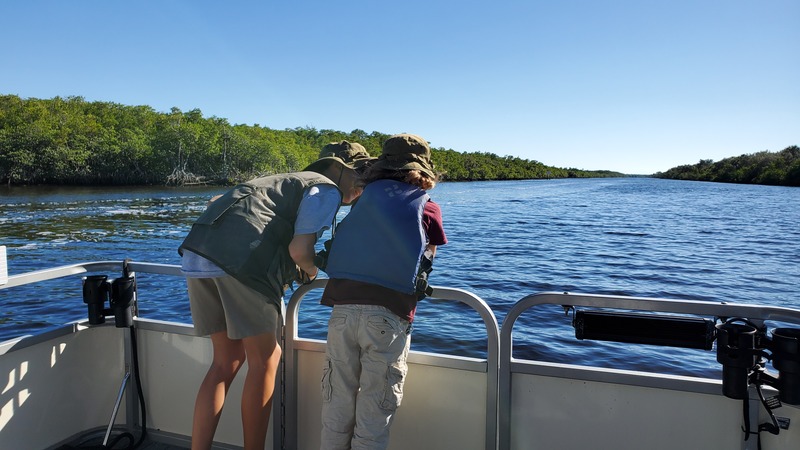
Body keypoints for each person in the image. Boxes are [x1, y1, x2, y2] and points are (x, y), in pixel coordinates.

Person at [178, 149, 370, 450]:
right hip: (240, 263)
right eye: (360, 174)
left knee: (224, 361)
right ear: (339, 169)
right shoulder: (326, 190)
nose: (362, 184)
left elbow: (218, 204)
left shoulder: (281, 180)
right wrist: (309, 270)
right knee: (266, 359)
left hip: (197, 254)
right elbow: (299, 250)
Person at [318, 133, 447, 450]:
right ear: (422, 171)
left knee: (336, 406)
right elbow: (428, 255)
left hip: (342, 312)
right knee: (375, 414)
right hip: (388, 318)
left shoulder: (362, 200)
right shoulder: (427, 207)